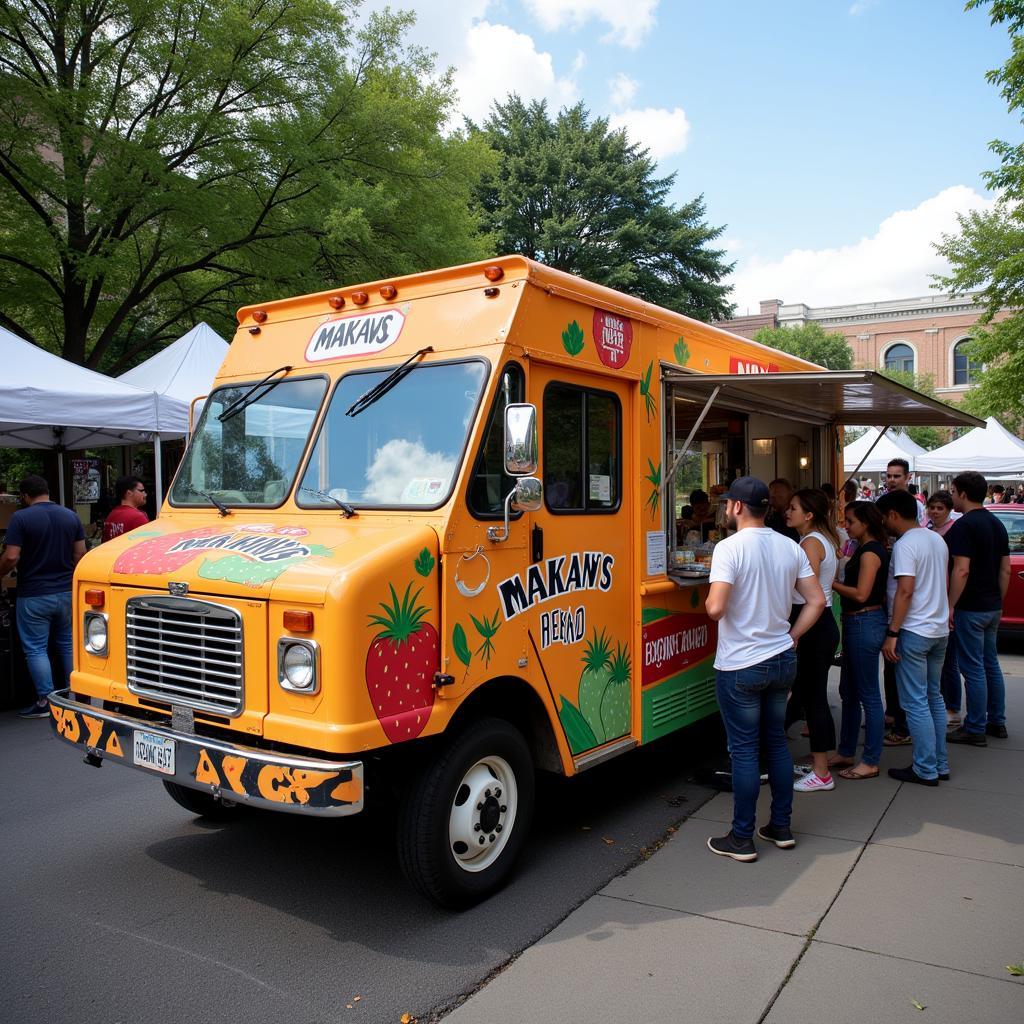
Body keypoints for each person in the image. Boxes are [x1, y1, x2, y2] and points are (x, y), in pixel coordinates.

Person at [704, 476, 825, 862]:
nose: (725, 508)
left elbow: (715, 609)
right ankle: (781, 827)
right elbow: (817, 600)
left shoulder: (728, 548)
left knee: (743, 751)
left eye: (728, 503)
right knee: (775, 742)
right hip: (781, 660)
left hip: (741, 664)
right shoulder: (790, 546)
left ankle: (741, 838)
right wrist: (792, 636)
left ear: (738, 507)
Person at [876, 490, 951, 786]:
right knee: (934, 698)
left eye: (884, 518)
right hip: (938, 630)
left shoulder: (906, 545)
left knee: (917, 702)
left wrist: (892, 632)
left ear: (893, 514)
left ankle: (925, 768)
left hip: (914, 630)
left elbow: (905, 590)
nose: (883, 523)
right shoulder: (936, 539)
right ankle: (939, 763)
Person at [0, 475, 86, 717]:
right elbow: (80, 554)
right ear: (47, 491)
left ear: (25, 496)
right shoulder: (70, 515)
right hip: (66, 590)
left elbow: (11, 556)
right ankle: (75, 695)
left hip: (34, 593)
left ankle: (46, 701)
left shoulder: (21, 518)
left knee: (36, 648)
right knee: (68, 643)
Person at [946, 471, 1011, 745]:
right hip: (992, 605)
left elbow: (961, 570)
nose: (951, 496)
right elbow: (1005, 570)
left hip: (970, 607)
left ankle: (975, 727)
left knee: (972, 668)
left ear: (962, 493)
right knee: (990, 664)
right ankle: (996, 721)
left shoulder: (964, 526)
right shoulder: (997, 523)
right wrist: (998, 600)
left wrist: (949, 606)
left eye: (952, 491)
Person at [785, 489, 841, 793]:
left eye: (793, 508)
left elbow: (809, 592)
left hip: (812, 624)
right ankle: (821, 762)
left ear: (809, 515)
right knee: (809, 696)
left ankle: (821, 772)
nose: (787, 512)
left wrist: (795, 633)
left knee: (814, 699)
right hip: (820, 623)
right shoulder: (823, 540)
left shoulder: (809, 543)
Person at [831, 501, 890, 779]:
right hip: (857, 622)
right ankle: (846, 751)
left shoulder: (870, 552)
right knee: (849, 691)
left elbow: (861, 593)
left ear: (865, 523)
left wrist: (831, 584)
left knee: (868, 694)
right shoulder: (863, 549)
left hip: (865, 621)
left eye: (851, 521)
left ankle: (870, 759)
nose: (846, 525)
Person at [927, 490, 964, 725]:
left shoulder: (953, 531)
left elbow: (958, 569)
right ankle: (941, 704)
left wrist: (951, 603)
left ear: (949, 510)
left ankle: (952, 708)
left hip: (947, 600)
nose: (935, 511)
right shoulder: (928, 532)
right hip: (933, 600)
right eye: (932, 507)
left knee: (949, 660)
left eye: (940, 508)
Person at [102, 476, 149, 542]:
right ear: (129, 493)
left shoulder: (111, 515)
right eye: (142, 491)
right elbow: (147, 544)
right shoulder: (138, 517)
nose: (145, 494)